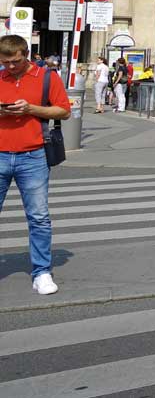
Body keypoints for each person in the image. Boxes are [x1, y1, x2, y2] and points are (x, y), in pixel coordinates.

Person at [0, 34, 72, 295]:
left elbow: (63, 111)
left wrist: (30, 108)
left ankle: (41, 272)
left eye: (15, 62)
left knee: (39, 217)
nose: (10, 67)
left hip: (34, 155)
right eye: (5, 62)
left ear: (26, 55)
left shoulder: (46, 77)